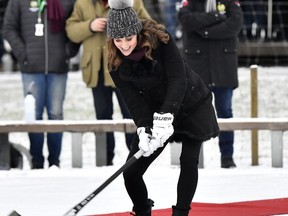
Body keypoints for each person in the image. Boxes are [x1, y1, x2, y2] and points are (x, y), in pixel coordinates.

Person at [106, 0, 219, 214]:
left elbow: (178, 79)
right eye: (118, 40)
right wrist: (144, 127)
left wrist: (165, 117)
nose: (124, 45)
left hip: (190, 104)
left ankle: (180, 212)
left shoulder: (161, 41)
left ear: (137, 33)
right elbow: (133, 99)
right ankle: (142, 210)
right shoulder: (115, 60)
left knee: (188, 161)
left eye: (128, 38)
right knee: (131, 173)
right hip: (154, 110)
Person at [66, 0, 151, 165]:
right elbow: (71, 31)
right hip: (97, 72)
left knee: (132, 117)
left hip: (126, 72)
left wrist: (123, 25)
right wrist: (90, 26)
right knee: (102, 118)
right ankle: (104, 161)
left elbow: (148, 26)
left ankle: (136, 159)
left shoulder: (131, 1)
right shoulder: (82, 3)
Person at [3, 0, 79, 169]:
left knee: (56, 114)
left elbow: (76, 26)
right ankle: (36, 162)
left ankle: (54, 163)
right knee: (34, 115)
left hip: (58, 67)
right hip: (31, 69)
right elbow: (9, 27)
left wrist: (67, 52)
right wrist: (23, 54)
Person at [178, 0, 243, 168]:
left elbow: (235, 24)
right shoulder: (190, 1)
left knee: (225, 111)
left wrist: (203, 30)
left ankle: (227, 156)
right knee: (194, 113)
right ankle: (192, 158)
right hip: (198, 65)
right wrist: (216, 17)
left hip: (224, 66)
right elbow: (185, 20)